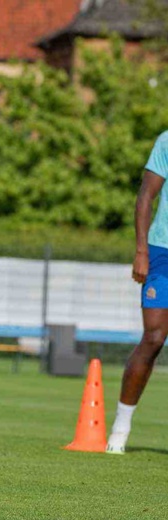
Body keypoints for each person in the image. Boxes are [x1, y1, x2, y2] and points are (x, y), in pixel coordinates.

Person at [107, 131, 168, 454]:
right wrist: (141, 250)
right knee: (154, 338)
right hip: (162, 251)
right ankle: (121, 426)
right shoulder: (166, 141)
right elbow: (146, 195)